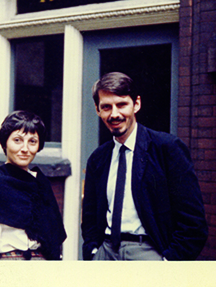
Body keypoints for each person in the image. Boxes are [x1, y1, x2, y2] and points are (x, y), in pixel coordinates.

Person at [81, 72, 208, 261]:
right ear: (97, 110)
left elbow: (193, 223)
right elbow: (90, 217)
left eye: (122, 104)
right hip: (105, 253)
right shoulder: (98, 159)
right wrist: (93, 251)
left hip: (149, 253)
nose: (114, 114)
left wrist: (169, 262)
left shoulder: (167, 149)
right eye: (106, 107)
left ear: (136, 104)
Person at [0, 110, 66, 260]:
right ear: (5, 143)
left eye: (32, 141)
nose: (25, 149)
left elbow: (53, 238)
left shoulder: (42, 184)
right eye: (17, 140)